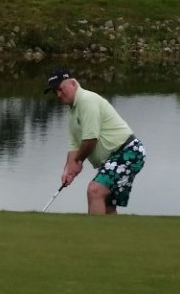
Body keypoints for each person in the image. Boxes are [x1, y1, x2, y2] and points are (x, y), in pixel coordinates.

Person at [44, 67, 146, 215]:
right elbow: (74, 146)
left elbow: (90, 139)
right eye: (55, 92)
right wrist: (68, 170)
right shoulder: (73, 112)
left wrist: (78, 161)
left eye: (60, 89)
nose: (58, 94)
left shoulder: (86, 100)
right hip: (115, 157)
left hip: (128, 152)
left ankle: (93, 236)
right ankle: (111, 237)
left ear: (73, 84)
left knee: (95, 190)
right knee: (107, 204)